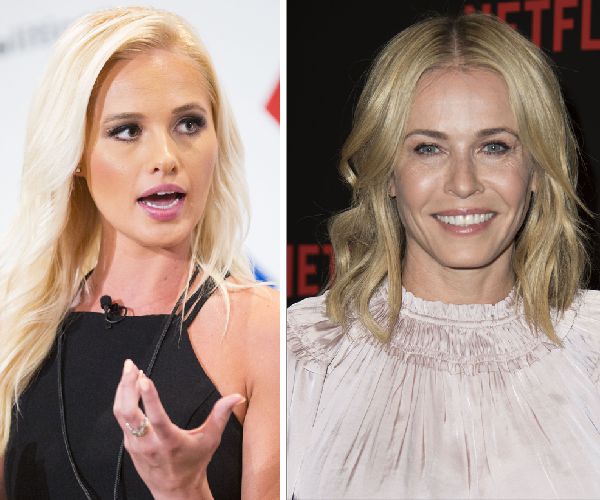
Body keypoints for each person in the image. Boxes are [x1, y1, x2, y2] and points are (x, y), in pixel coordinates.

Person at [287, 12, 600, 499]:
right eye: (429, 149)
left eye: (494, 147)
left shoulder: (592, 348)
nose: (463, 183)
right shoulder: (306, 356)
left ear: (538, 169)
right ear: (387, 174)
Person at [0, 7, 279, 500]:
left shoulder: (263, 331)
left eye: (188, 124)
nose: (166, 158)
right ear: (75, 154)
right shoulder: (18, 331)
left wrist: (183, 490)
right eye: (127, 130)